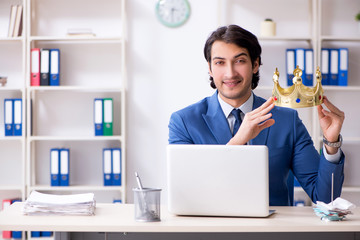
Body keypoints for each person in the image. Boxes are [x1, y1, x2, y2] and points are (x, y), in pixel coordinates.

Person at [168, 25, 345, 206]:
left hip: (271, 231)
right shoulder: (184, 122)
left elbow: (325, 198)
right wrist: (237, 141)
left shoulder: (287, 120)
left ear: (254, 65)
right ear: (210, 69)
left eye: (239, 61)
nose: (230, 73)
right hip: (212, 231)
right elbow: (187, 193)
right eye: (220, 62)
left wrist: (331, 144)